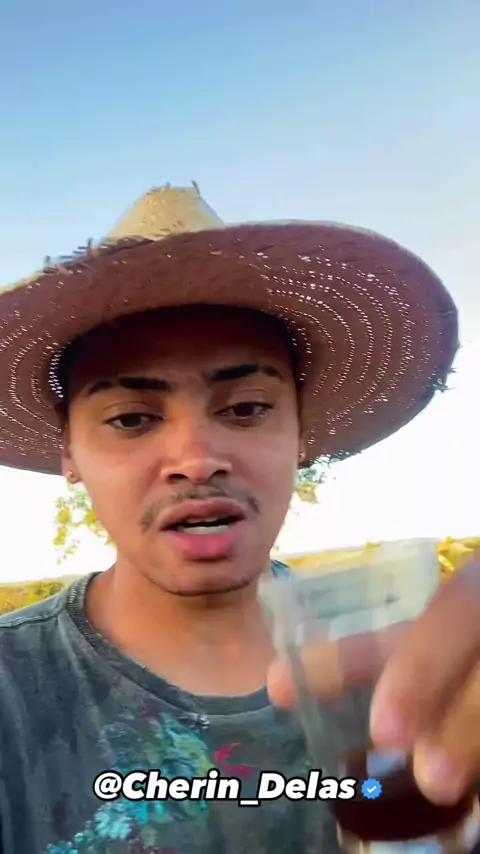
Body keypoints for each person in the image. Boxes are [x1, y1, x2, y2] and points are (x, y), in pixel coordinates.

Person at [0, 182, 476, 854]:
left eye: (246, 408)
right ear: (70, 454)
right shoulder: (13, 694)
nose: (196, 460)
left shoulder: (416, 674)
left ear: (301, 434)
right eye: (131, 419)